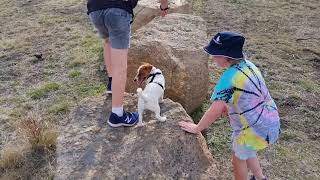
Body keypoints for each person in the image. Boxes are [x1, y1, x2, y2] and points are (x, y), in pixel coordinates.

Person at [179, 31, 281, 180]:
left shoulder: (228, 78)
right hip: (270, 120)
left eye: (216, 54)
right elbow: (250, 93)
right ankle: (260, 178)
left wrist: (197, 128)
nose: (213, 57)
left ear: (229, 56)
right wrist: (230, 104)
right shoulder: (249, 65)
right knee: (247, 150)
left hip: (251, 128)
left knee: (238, 158)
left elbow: (215, 110)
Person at [87, 0, 169, 127]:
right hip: (118, 10)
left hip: (95, 8)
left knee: (108, 41)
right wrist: (164, 7)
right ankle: (117, 115)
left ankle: (111, 84)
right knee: (120, 66)